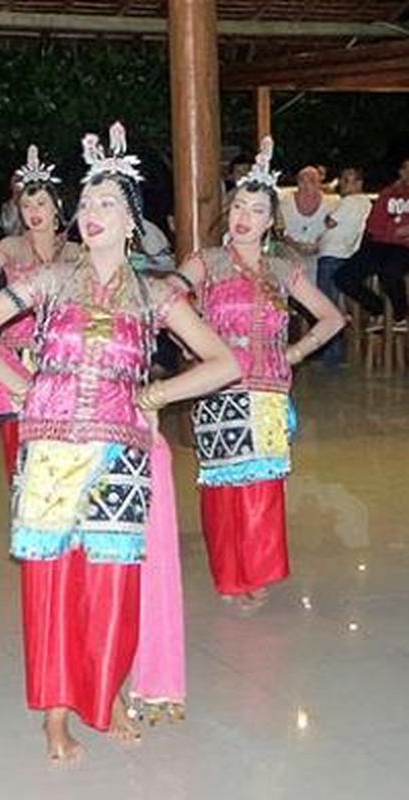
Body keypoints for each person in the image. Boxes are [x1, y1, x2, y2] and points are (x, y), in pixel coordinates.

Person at [0, 122, 239, 762]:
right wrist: (18, 384)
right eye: (86, 203)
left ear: (132, 221)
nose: (90, 213)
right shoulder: (50, 282)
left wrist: (156, 397)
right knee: (51, 583)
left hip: (121, 453)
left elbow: (224, 363)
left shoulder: (156, 295)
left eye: (106, 203)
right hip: (51, 448)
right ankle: (56, 714)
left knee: (109, 581)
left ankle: (104, 694)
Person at [180, 137, 344, 611]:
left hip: (269, 389)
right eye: (238, 206)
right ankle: (231, 574)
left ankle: (259, 571)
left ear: (271, 221)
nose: (243, 217)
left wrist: (294, 354)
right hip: (219, 387)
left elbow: (332, 318)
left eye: (256, 209)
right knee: (223, 486)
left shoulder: (282, 268)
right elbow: (170, 299)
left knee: (262, 487)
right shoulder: (205, 262)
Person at [0, 145, 79, 486]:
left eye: (41, 203)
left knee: (62, 442)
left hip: (62, 355)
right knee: (22, 440)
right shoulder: (12, 247)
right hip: (18, 354)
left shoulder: (75, 253)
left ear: (57, 206)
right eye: (26, 205)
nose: (33, 212)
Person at [334, 156, 409, 333]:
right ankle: (378, 309)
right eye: (406, 169)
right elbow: (373, 226)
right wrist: (395, 232)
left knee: (390, 273)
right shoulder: (388, 194)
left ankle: (401, 316)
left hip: (405, 247)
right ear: (401, 172)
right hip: (380, 244)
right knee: (343, 277)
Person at [316, 166, 371, 365]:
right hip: (344, 254)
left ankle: (332, 355)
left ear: (359, 183)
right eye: (343, 179)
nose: (344, 184)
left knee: (326, 306)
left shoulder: (349, 202)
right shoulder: (364, 203)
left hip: (332, 254)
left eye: (349, 180)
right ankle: (334, 353)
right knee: (334, 304)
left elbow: (330, 221)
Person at [278, 165, 335, 286]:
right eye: (302, 180)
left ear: (320, 182)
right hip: (289, 250)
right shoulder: (284, 201)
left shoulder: (332, 203)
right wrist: (293, 245)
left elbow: (334, 231)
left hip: (319, 252)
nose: (306, 184)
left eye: (312, 181)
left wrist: (317, 246)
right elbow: (279, 229)